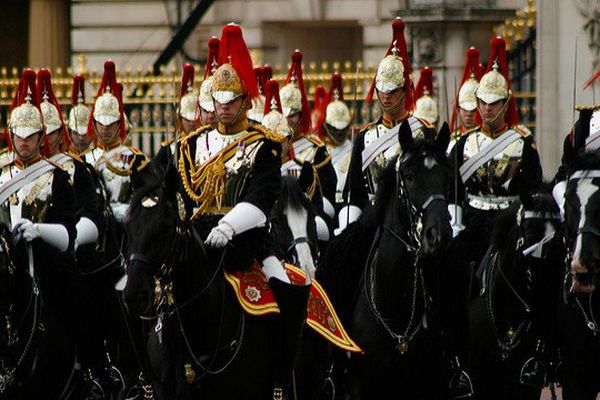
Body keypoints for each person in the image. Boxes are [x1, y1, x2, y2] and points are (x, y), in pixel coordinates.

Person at [175, 23, 310, 397]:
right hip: (197, 237)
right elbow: (177, 196)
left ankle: (281, 380)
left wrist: (230, 226)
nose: (223, 107)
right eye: (218, 100)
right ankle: (151, 379)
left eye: (231, 101)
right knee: (155, 296)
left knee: (288, 290)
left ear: (245, 101)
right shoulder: (191, 145)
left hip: (246, 242)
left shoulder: (262, 146)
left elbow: (263, 198)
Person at [447, 36, 543, 392]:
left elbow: (533, 192)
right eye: (482, 103)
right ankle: (454, 358)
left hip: (511, 225)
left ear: (506, 104)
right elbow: (452, 190)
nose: (486, 110)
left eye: (494, 103)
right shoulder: (463, 144)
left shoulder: (523, 142)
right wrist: (455, 223)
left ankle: (541, 353)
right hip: (473, 224)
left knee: (538, 275)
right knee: (450, 276)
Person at [0, 68, 82, 393]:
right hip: (5, 260)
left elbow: (68, 231)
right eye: (18, 134)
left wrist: (39, 231)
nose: (23, 140)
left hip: (44, 261)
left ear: (41, 136)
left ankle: (87, 369)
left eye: (30, 134)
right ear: (10, 133)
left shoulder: (57, 177)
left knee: (73, 298)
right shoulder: (1, 172)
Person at [337, 17, 430, 234]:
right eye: (382, 90)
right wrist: (349, 223)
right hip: (373, 216)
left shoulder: (422, 131)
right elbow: (355, 191)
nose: (386, 97)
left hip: (412, 217)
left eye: (393, 91)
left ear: (404, 91)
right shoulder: (364, 136)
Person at [280, 49, 337, 241]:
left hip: (310, 208)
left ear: (301, 116)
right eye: (285, 115)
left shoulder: (316, 149)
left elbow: (328, 187)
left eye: (292, 115)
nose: (288, 120)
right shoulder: (271, 146)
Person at [85, 60, 148, 223]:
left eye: (111, 124)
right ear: (94, 123)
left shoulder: (135, 158)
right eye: (101, 123)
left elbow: (149, 196)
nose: (105, 128)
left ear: (119, 124)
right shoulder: (83, 159)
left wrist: (132, 209)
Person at [322, 72, 352, 210]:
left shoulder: (353, 148)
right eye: (335, 129)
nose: (340, 133)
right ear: (326, 126)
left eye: (344, 128)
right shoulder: (319, 150)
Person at [448, 47, 483, 153]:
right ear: (458, 110)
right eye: (465, 109)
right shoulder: (452, 139)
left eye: (473, 110)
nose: (469, 114)